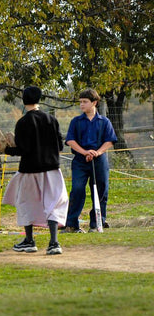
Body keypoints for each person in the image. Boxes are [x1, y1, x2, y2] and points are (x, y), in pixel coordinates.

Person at [0, 86, 69, 255]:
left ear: (24, 101)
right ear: (39, 99)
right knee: (54, 203)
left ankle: (29, 240)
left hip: (29, 170)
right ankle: (54, 243)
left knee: (26, 203)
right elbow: (60, 146)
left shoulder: (23, 122)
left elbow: (23, 150)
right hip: (52, 169)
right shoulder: (51, 120)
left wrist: (6, 149)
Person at [60, 88, 117, 233]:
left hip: (99, 161)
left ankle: (97, 223)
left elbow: (110, 141)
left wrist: (97, 152)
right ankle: (72, 224)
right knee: (77, 190)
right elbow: (70, 141)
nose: (82, 105)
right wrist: (85, 152)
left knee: (100, 191)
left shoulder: (104, 121)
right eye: (80, 102)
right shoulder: (76, 121)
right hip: (80, 161)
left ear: (94, 103)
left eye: (85, 102)